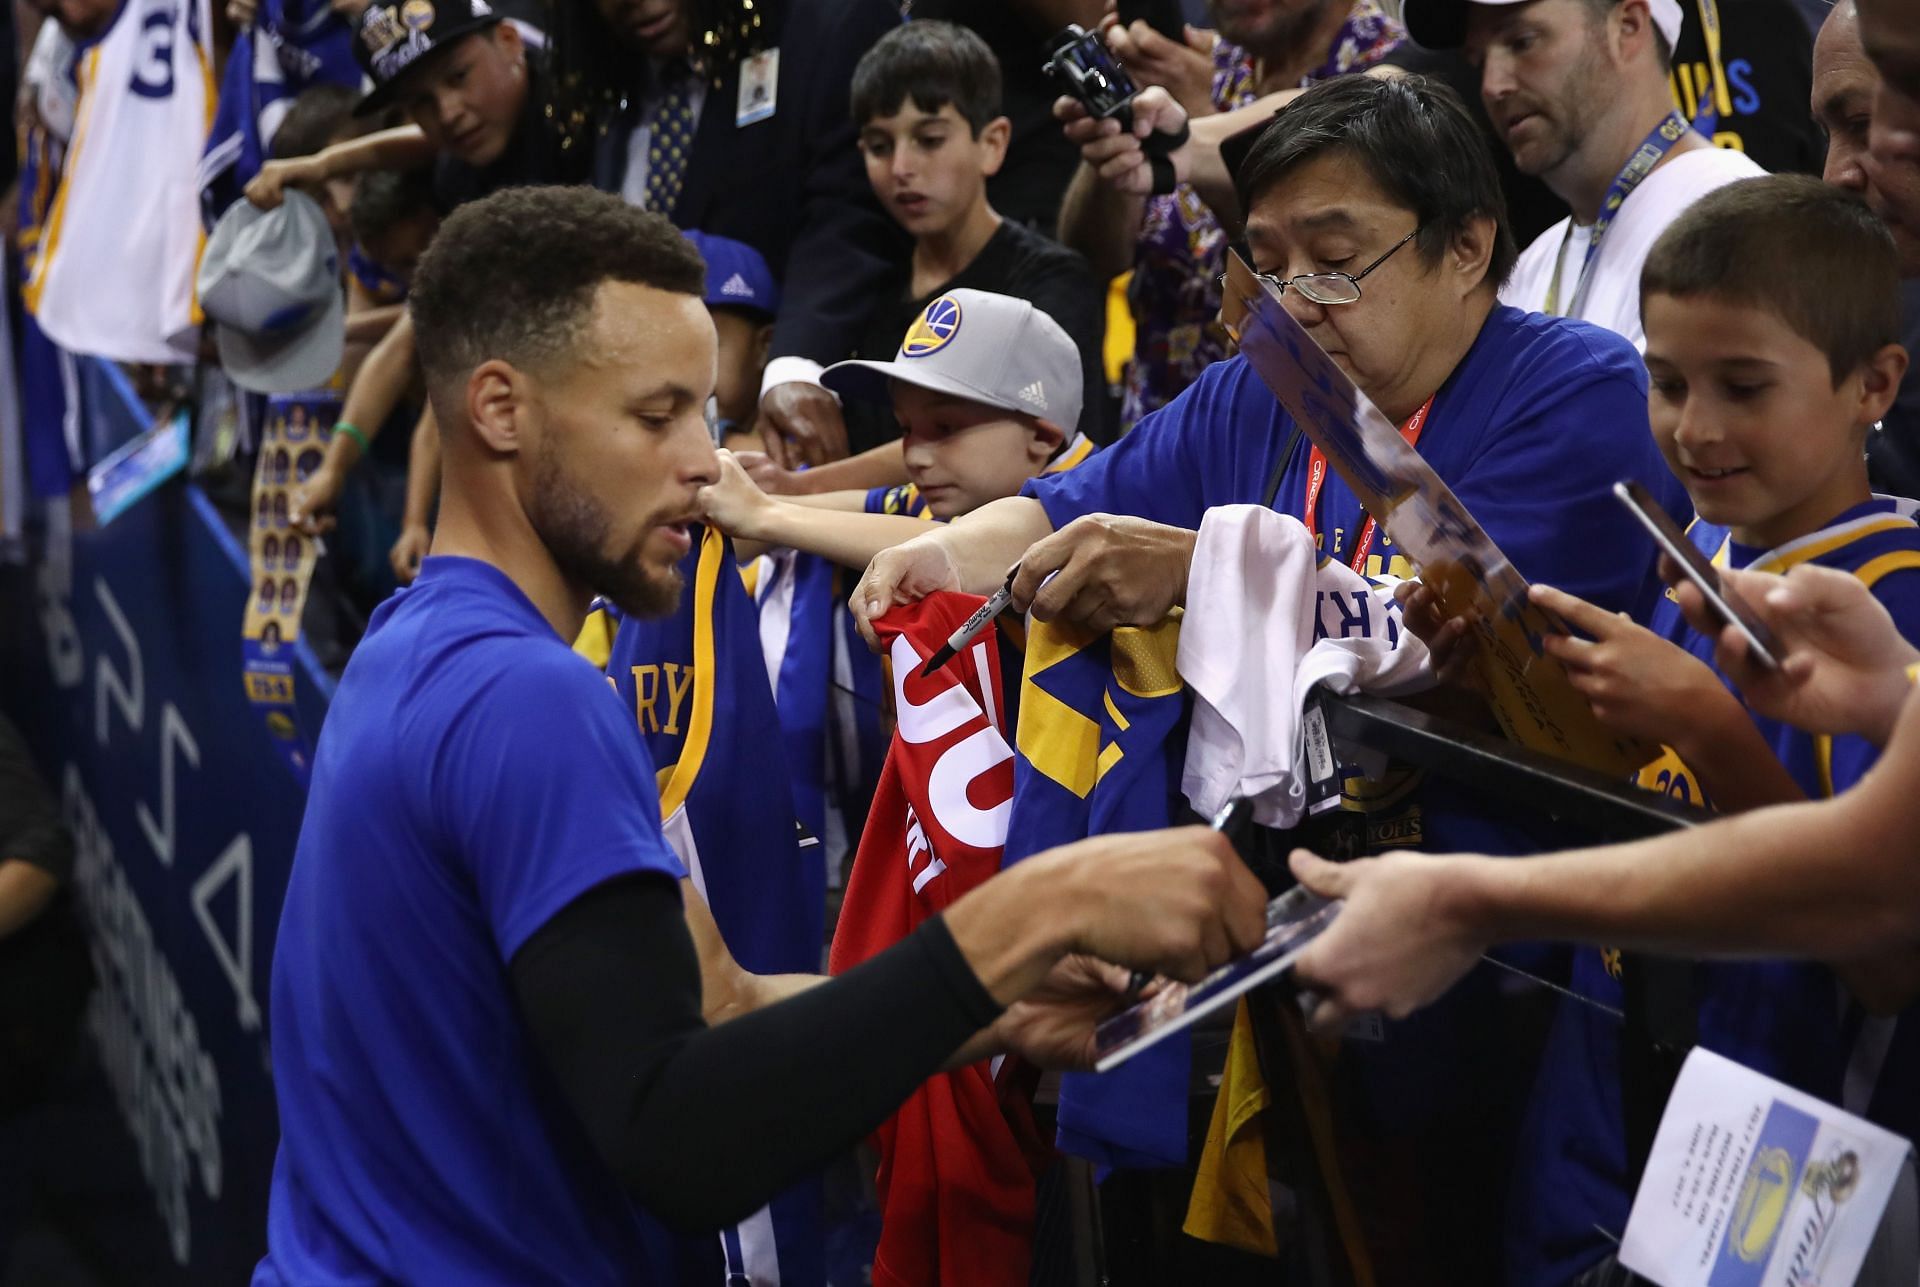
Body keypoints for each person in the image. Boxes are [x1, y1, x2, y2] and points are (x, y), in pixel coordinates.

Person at [252, 184, 1269, 1285]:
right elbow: (681, 1135)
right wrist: (1036, 911)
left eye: (700, 409)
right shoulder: (527, 697)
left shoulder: (411, 642)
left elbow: (720, 1003)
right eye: (655, 416)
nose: (704, 461)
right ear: (501, 411)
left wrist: (993, 1009)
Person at [857, 73, 1689, 1279]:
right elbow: (1066, 504)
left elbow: (1458, 627)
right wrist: (937, 549)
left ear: (1467, 247)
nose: (1296, 303)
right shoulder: (1271, 385)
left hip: (1511, 955)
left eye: (1335, 261)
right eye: (1269, 264)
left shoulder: (1579, 392)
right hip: (1281, 945)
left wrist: (1199, 567)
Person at [1452, 174, 1913, 1285]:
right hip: (1622, 1096)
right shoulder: (1702, 558)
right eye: (1665, 383)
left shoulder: (1889, 604)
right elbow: (1646, 792)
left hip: (1783, 1158)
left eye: (1743, 387)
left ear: (1873, 385)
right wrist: (1494, 670)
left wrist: (1711, 726)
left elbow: (1883, 958)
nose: (1694, 429)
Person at [564, 0, 905, 475]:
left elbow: (851, 214)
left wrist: (794, 366)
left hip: (820, 421)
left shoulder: (827, 24)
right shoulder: (599, 87)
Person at [1055, 0, 1404, 428]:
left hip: (1289, 439)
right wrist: (1121, 130)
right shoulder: (1208, 61)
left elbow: (1277, 244)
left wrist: (1194, 121)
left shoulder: (1392, 77)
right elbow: (1093, 258)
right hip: (1156, 430)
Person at [1399, 0, 1763, 350]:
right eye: (1479, 61)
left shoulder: (1735, 222)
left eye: (1522, 42)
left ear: (1627, 27)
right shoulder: (1533, 266)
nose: (1492, 86)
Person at [700, 289, 1097, 569]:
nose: (914, 457)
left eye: (944, 428)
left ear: (1042, 437)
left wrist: (765, 515)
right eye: (906, 428)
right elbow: (855, 510)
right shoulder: (964, 494)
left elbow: (973, 550)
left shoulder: (1094, 497)